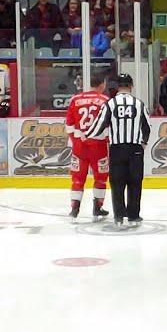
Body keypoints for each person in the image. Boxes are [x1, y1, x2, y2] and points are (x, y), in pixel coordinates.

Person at [84, 73, 151, 228]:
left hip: (116, 149)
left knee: (117, 183)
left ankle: (119, 216)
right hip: (135, 149)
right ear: (131, 86)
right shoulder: (139, 103)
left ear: (117, 87)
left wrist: (86, 135)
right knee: (135, 182)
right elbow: (147, 126)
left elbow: (99, 125)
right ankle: (133, 216)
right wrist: (143, 142)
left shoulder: (110, 104)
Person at [65, 71, 111, 222]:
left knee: (77, 178)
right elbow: (109, 128)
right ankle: (97, 207)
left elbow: (69, 127)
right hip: (99, 146)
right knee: (101, 177)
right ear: (102, 84)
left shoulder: (75, 99)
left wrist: (78, 140)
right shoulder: (105, 100)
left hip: (79, 147)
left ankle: (74, 209)